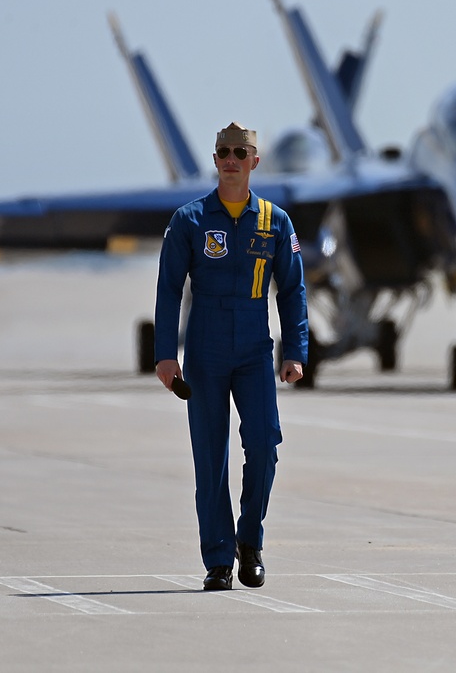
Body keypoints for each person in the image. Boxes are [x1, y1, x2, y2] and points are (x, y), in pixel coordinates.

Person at [154, 121, 308, 591]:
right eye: (223, 151)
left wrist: (295, 350)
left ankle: (250, 542)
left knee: (264, 445)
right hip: (205, 349)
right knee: (210, 457)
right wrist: (165, 355)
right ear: (215, 158)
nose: (231, 159)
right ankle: (218, 560)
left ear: (255, 161)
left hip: (255, 350)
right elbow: (168, 289)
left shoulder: (275, 222)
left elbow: (293, 290)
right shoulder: (190, 221)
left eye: (241, 152)